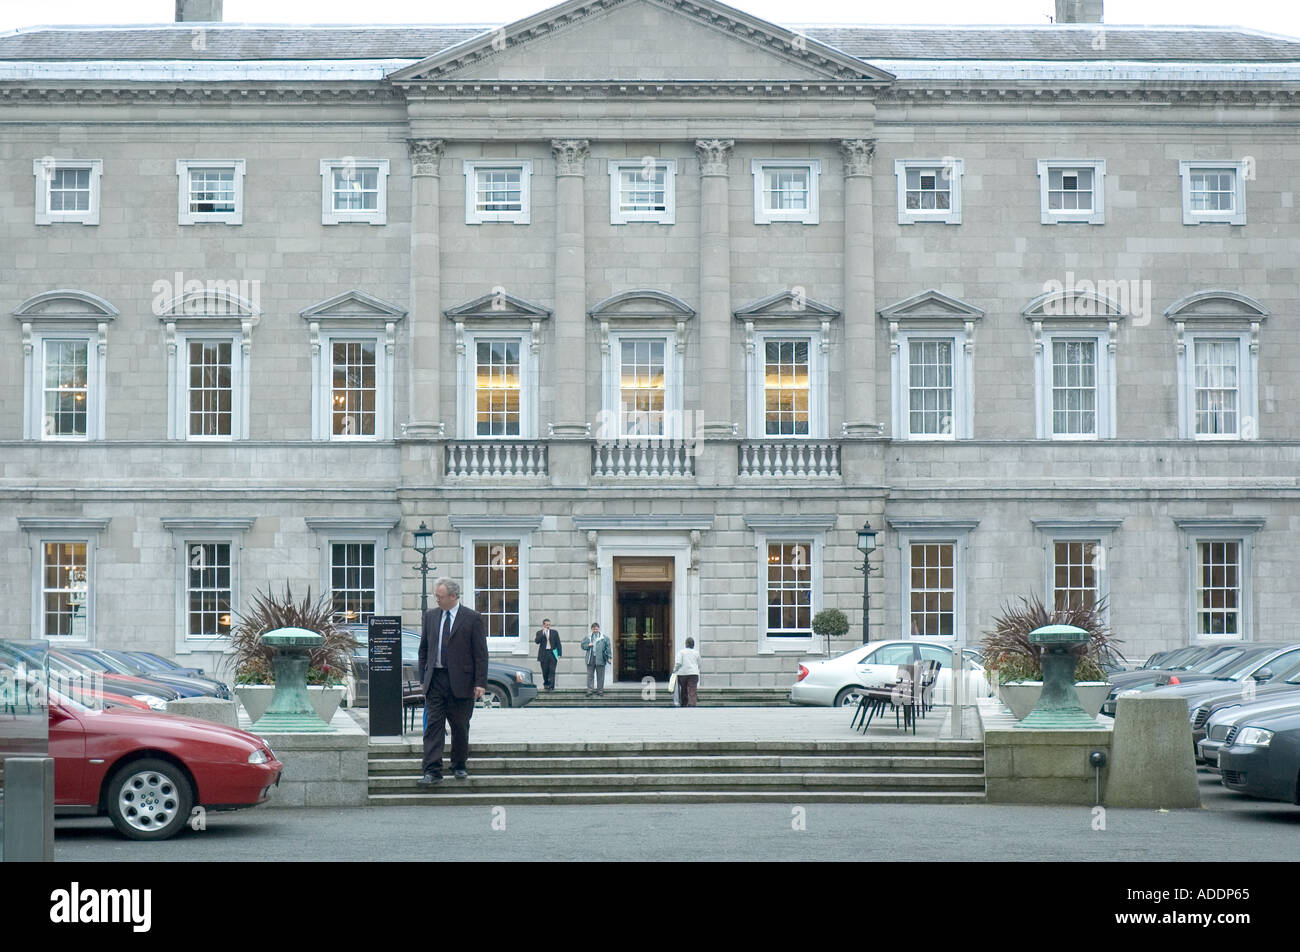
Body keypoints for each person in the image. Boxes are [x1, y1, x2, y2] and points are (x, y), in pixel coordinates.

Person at [417, 577, 487, 786]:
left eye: (440, 597)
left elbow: (480, 654)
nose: (436, 600)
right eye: (436, 596)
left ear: (453, 596)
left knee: (459, 726)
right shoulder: (430, 616)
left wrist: (480, 683)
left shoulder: (472, 618)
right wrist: (423, 677)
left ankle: (458, 765)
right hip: (436, 679)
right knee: (433, 726)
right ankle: (432, 771)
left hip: (462, 681)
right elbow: (424, 650)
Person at [580, 622, 612, 697]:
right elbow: (582, 646)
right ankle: (590, 690)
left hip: (600, 658)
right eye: (594, 629)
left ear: (599, 629)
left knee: (600, 676)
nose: (595, 630)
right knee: (590, 676)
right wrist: (588, 645)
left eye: (596, 629)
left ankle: (600, 691)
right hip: (590, 658)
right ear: (592, 629)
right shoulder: (588, 637)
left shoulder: (604, 638)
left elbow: (608, 648)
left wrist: (609, 657)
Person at [534, 618, 561, 691]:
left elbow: (558, 643)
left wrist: (559, 653)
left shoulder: (554, 632)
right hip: (544, 654)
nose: (548, 626)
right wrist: (543, 633)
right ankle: (546, 684)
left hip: (552, 653)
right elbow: (537, 641)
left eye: (549, 625)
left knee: (552, 670)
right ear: (543, 625)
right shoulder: (539, 633)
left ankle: (551, 686)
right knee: (545, 671)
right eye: (546, 625)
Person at [673, 636, 701, 707]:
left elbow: (678, 663)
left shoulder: (681, 652)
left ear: (686, 644)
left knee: (683, 688)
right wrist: (697, 670)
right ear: (693, 645)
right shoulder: (696, 653)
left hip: (682, 674)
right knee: (692, 689)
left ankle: (684, 703)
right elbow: (699, 664)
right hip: (693, 673)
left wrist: (674, 670)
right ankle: (692, 703)